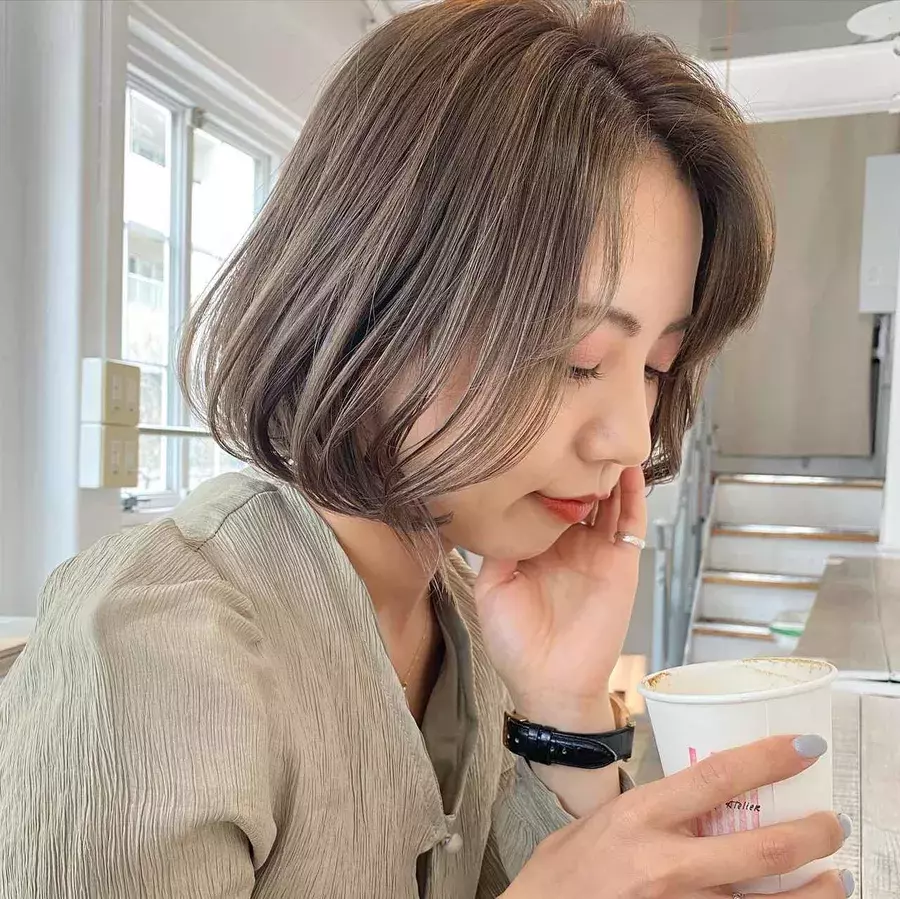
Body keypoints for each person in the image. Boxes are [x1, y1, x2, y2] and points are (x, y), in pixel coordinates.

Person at [0, 1, 853, 897]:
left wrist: (562, 704)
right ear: (375, 300)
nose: (633, 437)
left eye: (654, 368)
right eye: (578, 357)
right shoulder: (154, 646)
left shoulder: (465, 617)